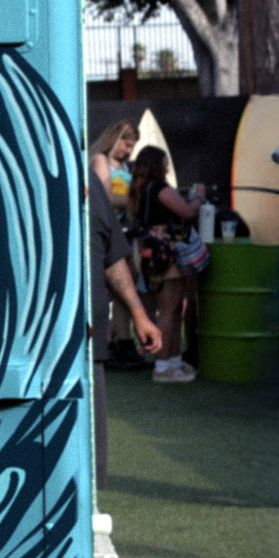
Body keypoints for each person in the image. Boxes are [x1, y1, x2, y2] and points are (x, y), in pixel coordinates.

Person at [91, 177, 162, 489]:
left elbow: (111, 257)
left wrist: (138, 314)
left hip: (87, 344)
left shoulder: (87, 181)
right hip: (37, 340)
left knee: (89, 458)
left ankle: (87, 525)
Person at [129, 145, 204, 383]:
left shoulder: (140, 189)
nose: (168, 166)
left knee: (170, 310)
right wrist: (198, 196)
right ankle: (162, 367)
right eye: (165, 162)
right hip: (165, 255)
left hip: (147, 253)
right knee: (169, 311)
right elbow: (186, 211)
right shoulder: (159, 188)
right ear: (157, 165)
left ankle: (173, 362)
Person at [91, 119, 138, 213]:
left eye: (132, 147)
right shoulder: (100, 160)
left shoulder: (124, 165)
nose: (129, 151)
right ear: (116, 139)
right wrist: (136, 203)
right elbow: (105, 197)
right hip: (104, 222)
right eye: (127, 145)